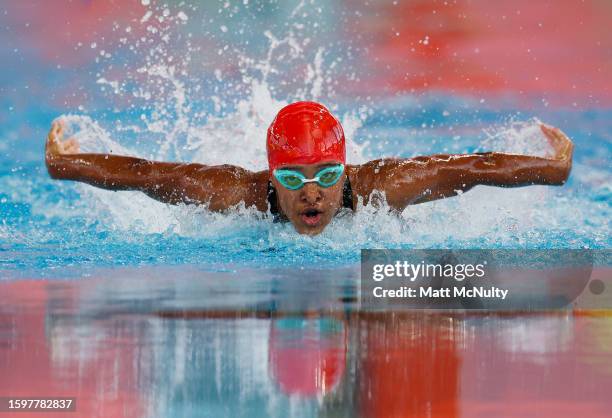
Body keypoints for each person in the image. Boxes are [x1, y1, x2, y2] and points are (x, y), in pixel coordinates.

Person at [45, 101, 573, 235]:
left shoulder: (382, 189)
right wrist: (64, 163)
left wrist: (552, 169)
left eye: (326, 174)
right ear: (271, 175)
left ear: (345, 169)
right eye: (294, 179)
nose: (312, 195)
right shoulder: (236, 196)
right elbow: (146, 173)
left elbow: (473, 167)